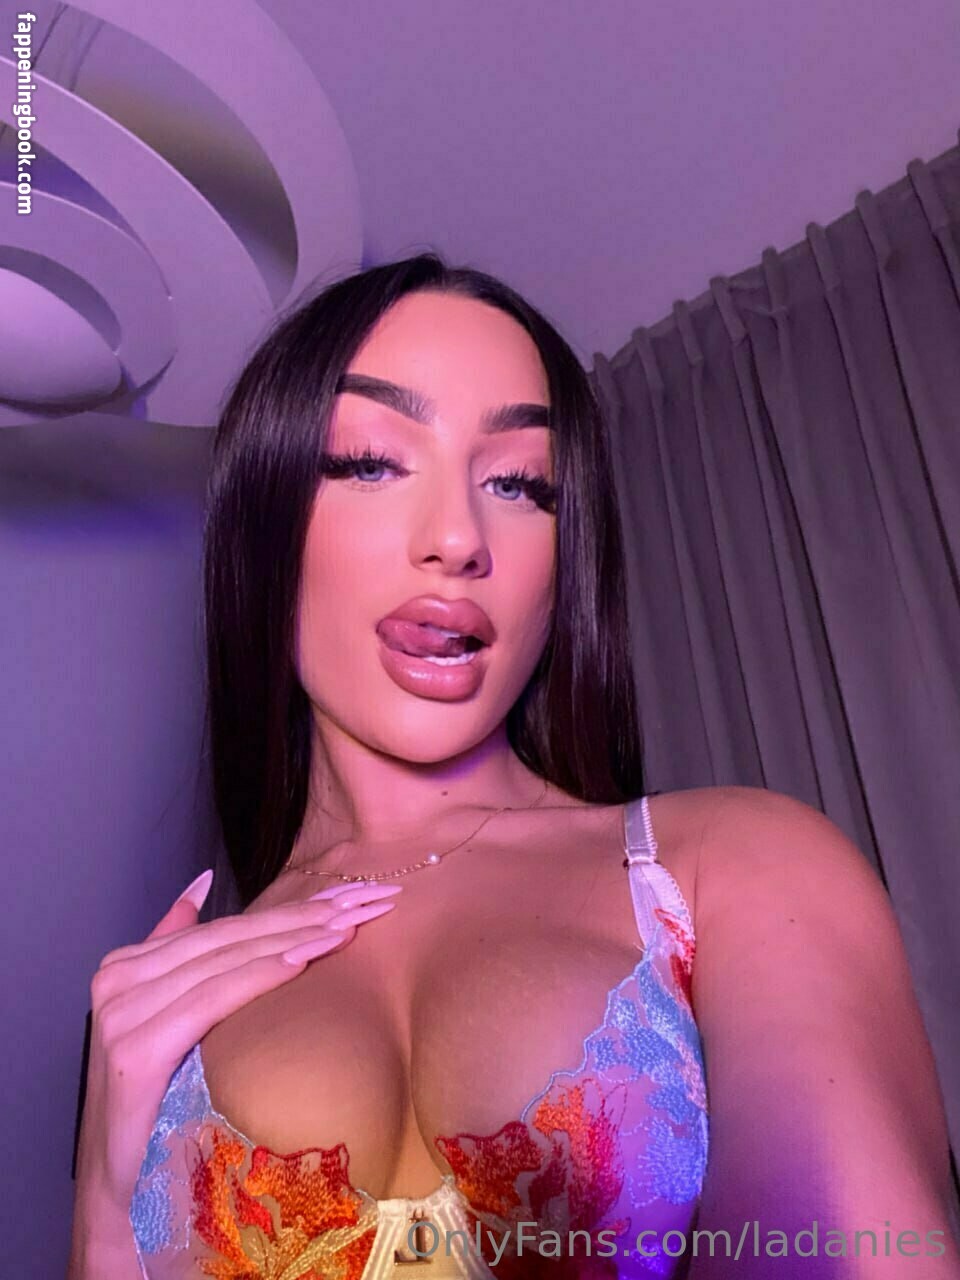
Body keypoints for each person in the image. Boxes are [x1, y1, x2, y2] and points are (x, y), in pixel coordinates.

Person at [68, 254, 958, 1279]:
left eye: (519, 484)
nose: (458, 538)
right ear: (262, 520)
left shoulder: (728, 868)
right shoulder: (161, 1019)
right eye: (371, 461)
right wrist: (101, 1212)